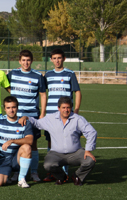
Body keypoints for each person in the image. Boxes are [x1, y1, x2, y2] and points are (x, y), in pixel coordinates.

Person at [19, 97, 96, 186]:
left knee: (90, 161)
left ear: (71, 108)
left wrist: (88, 150)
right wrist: (26, 117)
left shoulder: (78, 119)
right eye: (63, 107)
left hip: (76, 152)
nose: (66, 110)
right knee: (48, 165)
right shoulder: (51, 118)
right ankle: (62, 177)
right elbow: (37, 123)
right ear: (58, 108)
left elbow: (91, 132)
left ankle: (77, 176)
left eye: (68, 107)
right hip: (56, 153)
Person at [6, 50, 47, 182]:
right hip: (15, 116)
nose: (26, 63)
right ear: (19, 61)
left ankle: (34, 172)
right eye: (23, 60)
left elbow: (42, 94)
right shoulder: (12, 73)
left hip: (32, 116)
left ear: (32, 61)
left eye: (28, 60)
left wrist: (42, 114)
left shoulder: (37, 76)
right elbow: (5, 85)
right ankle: (17, 172)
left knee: (33, 144)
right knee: (17, 144)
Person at [43, 48, 81, 180]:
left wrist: (76, 110)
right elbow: (42, 93)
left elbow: (77, 92)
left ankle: (64, 172)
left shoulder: (70, 74)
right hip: (51, 115)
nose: (57, 60)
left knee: (66, 141)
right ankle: (53, 172)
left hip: (66, 115)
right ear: (51, 59)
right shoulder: (47, 75)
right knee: (50, 142)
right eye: (54, 58)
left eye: (59, 58)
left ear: (63, 58)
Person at [0, 96, 33, 188]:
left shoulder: (24, 122)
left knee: (27, 147)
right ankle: (9, 174)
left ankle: (21, 178)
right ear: (4, 109)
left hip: (16, 158)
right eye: (8, 108)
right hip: (2, 159)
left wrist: (12, 141)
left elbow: (30, 140)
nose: (11, 110)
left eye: (13, 107)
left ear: (17, 108)